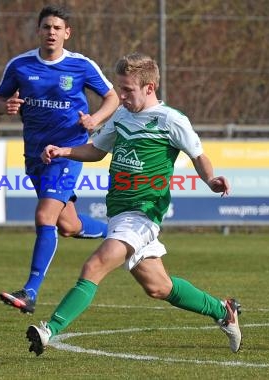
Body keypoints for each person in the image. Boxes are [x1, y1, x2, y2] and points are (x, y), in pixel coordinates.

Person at [26, 52, 242, 355]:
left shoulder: (171, 120)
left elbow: (198, 155)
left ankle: (50, 329)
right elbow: (97, 150)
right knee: (159, 287)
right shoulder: (122, 116)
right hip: (119, 213)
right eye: (120, 88)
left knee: (95, 265)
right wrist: (64, 152)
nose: (121, 95)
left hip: (144, 213)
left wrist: (210, 180)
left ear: (149, 88)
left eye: (128, 89)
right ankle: (223, 310)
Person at [0, 5, 119, 314]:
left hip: (68, 152)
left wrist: (95, 120)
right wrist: (5, 106)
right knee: (68, 225)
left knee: (44, 217)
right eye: (46, 27)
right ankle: (117, 234)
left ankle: (31, 290)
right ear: (39, 31)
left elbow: (112, 97)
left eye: (57, 27)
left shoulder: (81, 65)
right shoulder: (20, 65)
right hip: (35, 155)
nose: (51, 32)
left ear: (67, 33)